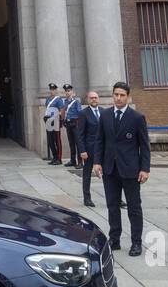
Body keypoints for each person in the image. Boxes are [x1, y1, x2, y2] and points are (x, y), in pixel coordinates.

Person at [92, 81, 150, 256]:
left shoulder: (136, 117)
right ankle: (114, 239)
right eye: (116, 94)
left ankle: (136, 242)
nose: (118, 98)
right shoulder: (105, 115)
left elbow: (144, 145)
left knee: (134, 207)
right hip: (110, 168)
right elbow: (100, 140)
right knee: (112, 206)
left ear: (127, 96)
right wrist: (97, 161)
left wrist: (145, 168)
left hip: (131, 169)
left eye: (122, 95)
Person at [78, 90, 103, 208]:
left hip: (104, 149)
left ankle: (116, 198)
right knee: (87, 174)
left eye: (96, 98)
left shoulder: (104, 112)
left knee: (110, 174)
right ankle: (87, 198)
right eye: (92, 98)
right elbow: (80, 134)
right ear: (88, 100)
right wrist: (82, 150)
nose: (94, 100)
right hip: (89, 149)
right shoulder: (83, 114)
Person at [43, 83, 64, 164]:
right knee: (50, 140)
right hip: (49, 121)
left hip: (56, 121)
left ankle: (59, 159)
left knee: (57, 140)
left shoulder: (58, 99)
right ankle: (54, 157)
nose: (52, 91)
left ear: (56, 90)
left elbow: (61, 110)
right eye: (51, 89)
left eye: (53, 89)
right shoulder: (48, 99)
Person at [63, 85, 82, 168]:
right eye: (66, 91)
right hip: (68, 124)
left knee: (78, 143)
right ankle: (73, 160)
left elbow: (80, 113)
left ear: (72, 92)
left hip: (75, 124)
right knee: (71, 143)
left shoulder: (76, 102)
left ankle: (80, 162)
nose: (67, 92)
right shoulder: (65, 102)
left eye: (69, 91)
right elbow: (64, 112)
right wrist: (64, 120)